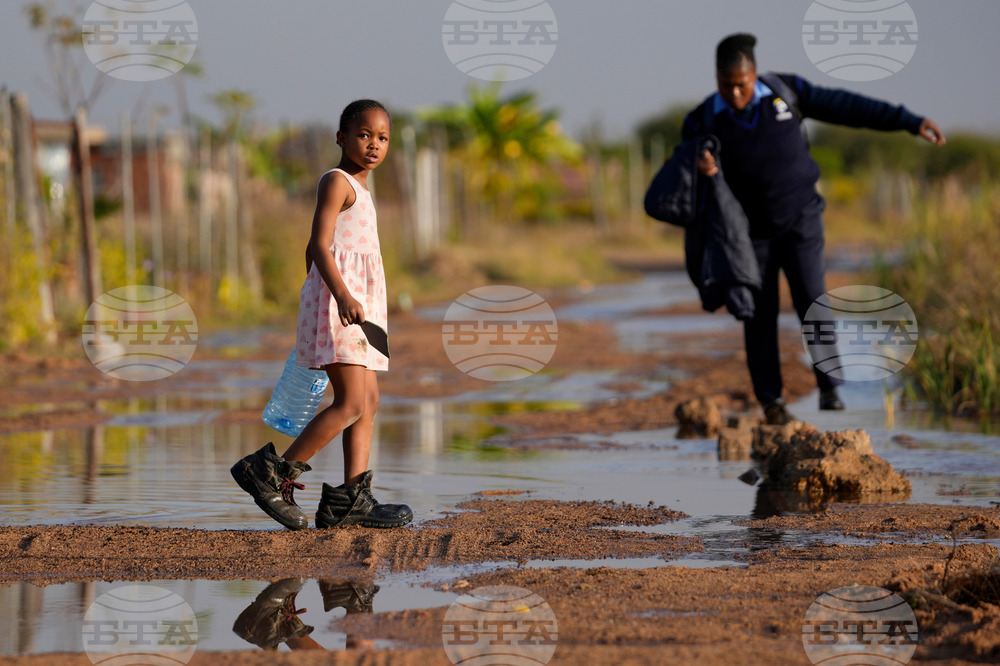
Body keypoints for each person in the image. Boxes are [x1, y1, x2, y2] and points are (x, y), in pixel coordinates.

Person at [681, 33, 946, 424]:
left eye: (742, 84)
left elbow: (849, 107)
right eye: (726, 85)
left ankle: (828, 385)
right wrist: (699, 165)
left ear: (755, 75)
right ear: (717, 78)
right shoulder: (702, 119)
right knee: (759, 314)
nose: (735, 93)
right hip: (750, 236)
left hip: (801, 221)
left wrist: (908, 121)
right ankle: (772, 401)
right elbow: (681, 173)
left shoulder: (787, 91)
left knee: (812, 300)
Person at [231, 99, 412, 530]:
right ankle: (270, 472)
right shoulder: (336, 181)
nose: (374, 144)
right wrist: (336, 296)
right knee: (350, 402)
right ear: (341, 138)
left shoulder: (363, 191)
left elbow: (314, 254)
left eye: (382, 138)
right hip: (342, 305)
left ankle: (350, 500)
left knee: (368, 402)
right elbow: (318, 244)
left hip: (359, 308)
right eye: (364, 135)